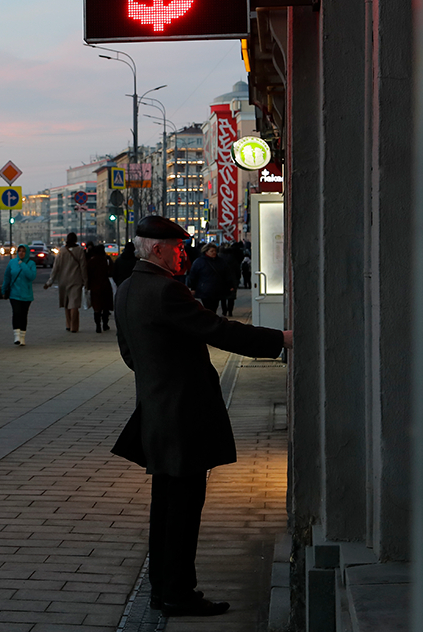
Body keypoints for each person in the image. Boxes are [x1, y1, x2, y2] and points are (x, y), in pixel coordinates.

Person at [112, 215, 292, 617]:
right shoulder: (166, 291)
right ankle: (178, 594)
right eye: (177, 248)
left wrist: (158, 375)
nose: (183, 255)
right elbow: (219, 330)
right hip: (183, 416)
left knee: (166, 509)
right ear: (157, 248)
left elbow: (130, 354)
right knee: (183, 510)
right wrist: (280, 339)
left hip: (157, 412)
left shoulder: (127, 288)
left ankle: (164, 590)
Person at [43, 232, 87, 332]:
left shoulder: (62, 251)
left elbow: (56, 267)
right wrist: (85, 280)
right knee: (74, 304)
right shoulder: (80, 250)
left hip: (63, 281)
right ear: (75, 240)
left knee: (67, 304)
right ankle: (74, 327)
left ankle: (68, 324)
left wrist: (50, 281)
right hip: (76, 280)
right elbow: (83, 267)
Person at [1, 243, 36, 346]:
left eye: (23, 251)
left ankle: (22, 337)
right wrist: (4, 290)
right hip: (14, 294)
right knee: (16, 313)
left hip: (26, 295)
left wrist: (23, 264)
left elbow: (31, 276)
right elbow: (7, 277)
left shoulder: (31, 264)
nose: (21, 253)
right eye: (19, 251)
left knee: (23, 315)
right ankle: (16, 336)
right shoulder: (12, 262)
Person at [186, 243, 231, 313]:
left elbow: (226, 274)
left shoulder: (220, 261)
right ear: (206, 251)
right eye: (212, 251)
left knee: (214, 307)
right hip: (205, 289)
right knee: (208, 307)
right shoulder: (199, 262)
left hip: (217, 289)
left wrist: (229, 285)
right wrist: (193, 287)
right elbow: (193, 275)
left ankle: (211, 320)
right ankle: (210, 320)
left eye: (215, 251)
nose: (214, 253)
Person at [85, 241, 114, 333]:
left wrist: (87, 286)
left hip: (95, 287)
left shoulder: (91, 261)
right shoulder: (107, 260)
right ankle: (105, 324)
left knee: (97, 307)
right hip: (106, 286)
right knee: (106, 307)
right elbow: (112, 271)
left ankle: (98, 326)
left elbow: (87, 274)